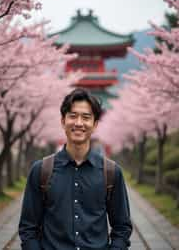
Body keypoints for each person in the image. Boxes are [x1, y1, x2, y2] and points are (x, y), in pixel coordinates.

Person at [19, 88, 132, 250]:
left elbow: (122, 227)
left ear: (95, 124)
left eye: (86, 117)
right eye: (73, 116)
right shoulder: (41, 170)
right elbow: (28, 228)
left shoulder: (111, 172)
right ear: (63, 121)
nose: (79, 123)